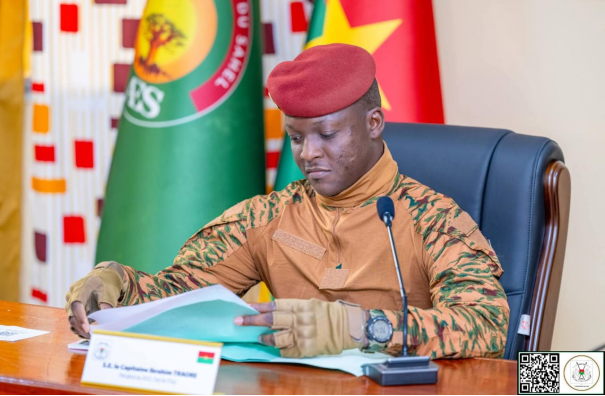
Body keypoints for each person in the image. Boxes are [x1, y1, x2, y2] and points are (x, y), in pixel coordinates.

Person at [66, 43, 509, 359]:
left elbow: (488, 324)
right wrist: (116, 282)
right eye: (296, 138)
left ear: (374, 123)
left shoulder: (433, 218)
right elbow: (180, 293)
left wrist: (362, 328)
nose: (308, 154)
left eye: (327, 135)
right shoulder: (267, 217)